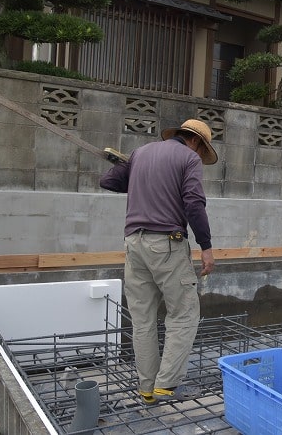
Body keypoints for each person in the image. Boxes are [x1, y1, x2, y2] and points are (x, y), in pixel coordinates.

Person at [100, 119, 217, 404]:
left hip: (134, 244)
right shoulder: (188, 158)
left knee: (143, 320)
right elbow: (193, 203)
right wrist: (206, 246)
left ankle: (147, 389)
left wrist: (125, 166)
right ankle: (167, 384)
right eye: (202, 151)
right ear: (197, 142)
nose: (201, 157)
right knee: (184, 313)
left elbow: (109, 181)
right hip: (166, 243)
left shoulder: (141, 153)